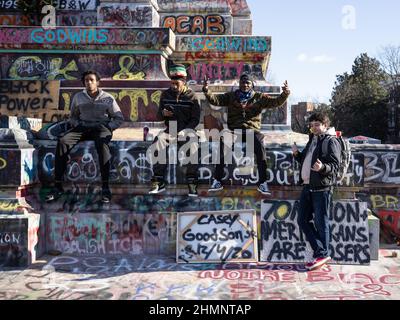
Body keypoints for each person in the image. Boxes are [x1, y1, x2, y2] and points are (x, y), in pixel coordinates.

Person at [202, 73, 290, 195]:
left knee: (260, 148)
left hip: (252, 130)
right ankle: (217, 180)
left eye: (248, 83)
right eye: (243, 82)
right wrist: (206, 90)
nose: (245, 85)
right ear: (239, 84)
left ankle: (262, 183)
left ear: (252, 85)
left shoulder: (259, 97)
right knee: (222, 145)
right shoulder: (231, 96)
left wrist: (285, 93)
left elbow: (276, 102)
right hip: (234, 131)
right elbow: (215, 100)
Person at [45, 70, 124, 203]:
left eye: (92, 80)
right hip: (83, 128)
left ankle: (105, 188)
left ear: (97, 82)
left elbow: (118, 117)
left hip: (101, 129)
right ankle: (57, 186)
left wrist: (109, 127)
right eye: (86, 80)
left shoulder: (108, 98)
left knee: (102, 145)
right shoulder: (78, 97)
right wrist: (78, 124)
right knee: (63, 141)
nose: (89, 82)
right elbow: (73, 117)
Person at [292, 112, 341, 270]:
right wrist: (296, 155)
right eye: (312, 125)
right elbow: (306, 161)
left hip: (322, 188)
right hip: (307, 186)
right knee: (302, 220)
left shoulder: (330, 141)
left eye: (317, 124)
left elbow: (335, 165)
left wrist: (323, 168)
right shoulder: (312, 140)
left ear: (325, 126)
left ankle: (322, 253)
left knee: (321, 223)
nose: (314, 127)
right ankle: (321, 252)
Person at [147, 64, 200, 196]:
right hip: (170, 130)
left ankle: (191, 182)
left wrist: (187, 130)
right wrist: (164, 114)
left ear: (184, 82)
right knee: (158, 142)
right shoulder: (165, 95)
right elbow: (159, 116)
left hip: (187, 130)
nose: (173, 86)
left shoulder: (192, 96)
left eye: (176, 83)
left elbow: (196, 119)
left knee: (193, 146)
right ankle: (159, 181)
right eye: (172, 83)